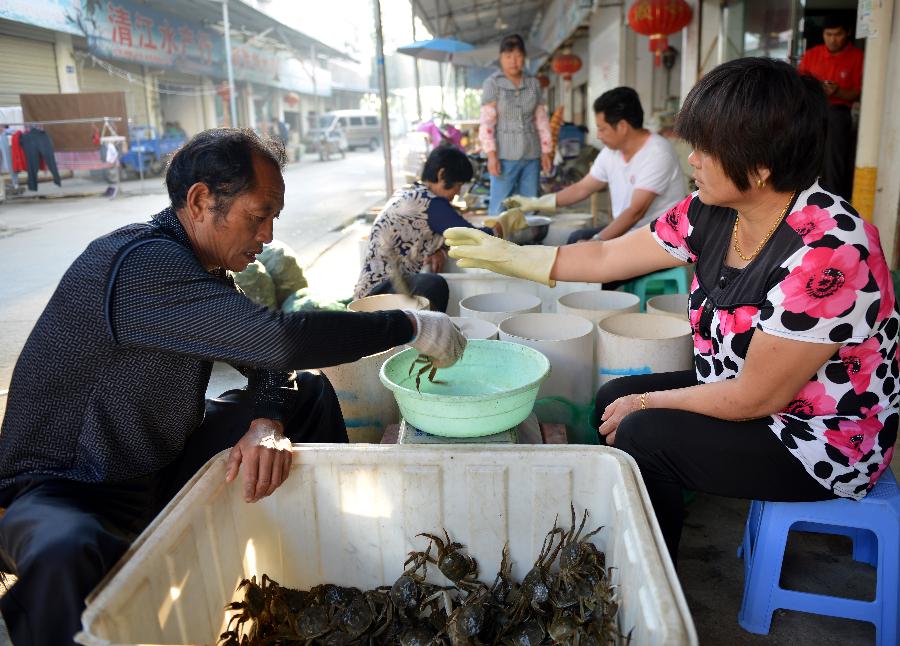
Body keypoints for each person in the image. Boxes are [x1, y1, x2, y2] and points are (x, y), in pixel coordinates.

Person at [0, 128, 466, 643]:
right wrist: (411, 325)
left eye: (274, 219)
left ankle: (322, 560)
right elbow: (277, 340)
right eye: (257, 215)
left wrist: (267, 422)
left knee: (308, 394)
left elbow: (266, 362)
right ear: (201, 201)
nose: (267, 235)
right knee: (67, 548)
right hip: (67, 488)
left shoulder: (201, 270)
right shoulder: (141, 266)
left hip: (152, 467)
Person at [446, 58, 898, 564]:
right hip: (742, 392)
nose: (693, 161)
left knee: (644, 431)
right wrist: (521, 259)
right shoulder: (712, 211)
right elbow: (607, 254)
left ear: (762, 164)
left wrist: (650, 406)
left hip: (817, 437)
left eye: (707, 150)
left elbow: (757, 397)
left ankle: (652, 574)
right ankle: (641, 532)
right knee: (613, 397)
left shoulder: (831, 251)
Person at [504, 87, 686, 248]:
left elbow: (635, 212)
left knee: (588, 262)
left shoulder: (657, 153)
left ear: (622, 126)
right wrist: (538, 202)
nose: (598, 136)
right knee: (576, 240)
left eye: (602, 129)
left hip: (658, 240)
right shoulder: (611, 152)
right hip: (631, 231)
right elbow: (583, 188)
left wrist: (597, 241)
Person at [354, 146, 523, 312]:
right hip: (380, 293)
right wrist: (504, 223)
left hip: (372, 289)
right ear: (441, 174)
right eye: (458, 185)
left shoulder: (410, 193)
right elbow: (476, 239)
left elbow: (424, 234)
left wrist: (438, 250)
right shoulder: (431, 203)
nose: (456, 193)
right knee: (435, 284)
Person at [480, 34, 553, 215]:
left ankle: (528, 241)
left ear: (524, 57)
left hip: (532, 154)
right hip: (504, 156)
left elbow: (541, 120)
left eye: (518, 56)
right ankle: (496, 241)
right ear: (501, 58)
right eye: (508, 56)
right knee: (499, 205)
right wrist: (491, 155)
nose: (514, 61)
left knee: (530, 204)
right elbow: (486, 123)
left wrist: (546, 151)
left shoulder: (533, 84)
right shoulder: (493, 84)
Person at [798, 14, 864, 200]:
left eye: (837, 34)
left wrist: (837, 92)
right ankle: (802, 192)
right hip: (812, 109)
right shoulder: (812, 54)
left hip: (838, 112)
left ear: (848, 33)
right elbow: (800, 84)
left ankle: (833, 196)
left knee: (834, 156)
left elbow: (859, 93)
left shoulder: (857, 57)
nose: (832, 39)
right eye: (828, 34)